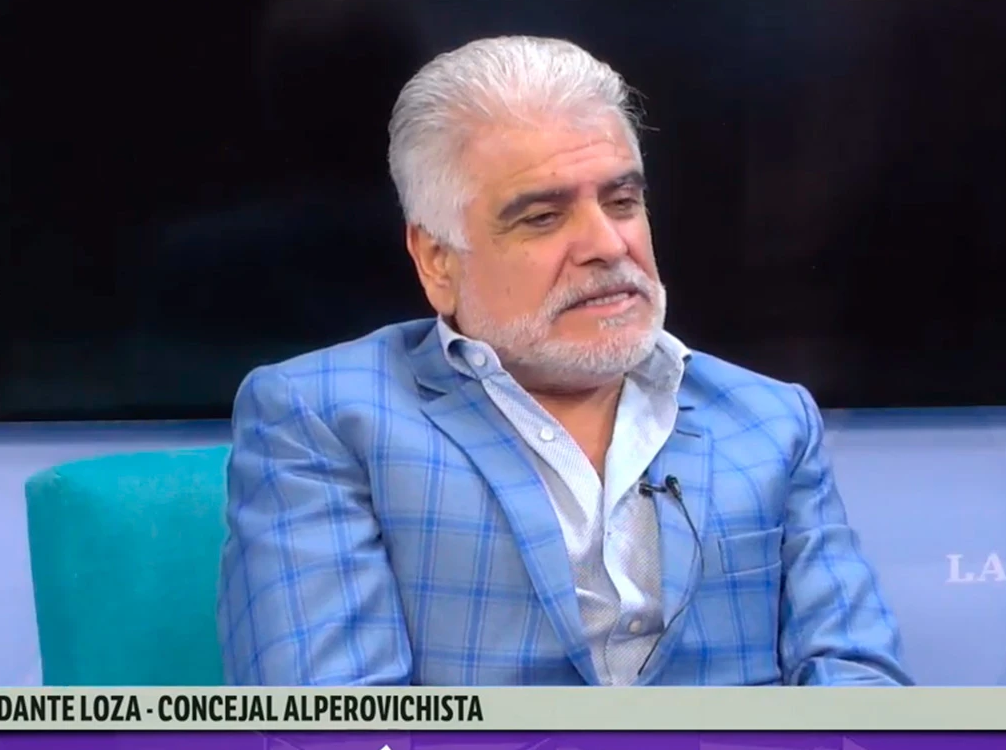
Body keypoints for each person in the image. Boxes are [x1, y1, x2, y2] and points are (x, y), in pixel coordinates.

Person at [218, 36, 911, 687]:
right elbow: (335, 735)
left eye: (622, 201)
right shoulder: (328, 418)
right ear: (437, 260)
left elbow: (859, 687)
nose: (607, 245)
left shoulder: (771, 420)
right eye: (543, 217)